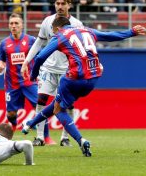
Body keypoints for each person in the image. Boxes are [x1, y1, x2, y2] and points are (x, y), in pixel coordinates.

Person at [22, 16, 146, 157]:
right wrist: (131, 32)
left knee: (58, 110)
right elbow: (110, 35)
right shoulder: (87, 30)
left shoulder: (60, 35)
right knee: (58, 104)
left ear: (56, 28)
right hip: (93, 79)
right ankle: (30, 124)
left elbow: (39, 57)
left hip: (73, 78)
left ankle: (80, 140)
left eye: (53, 32)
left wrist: (33, 76)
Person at [21, 0, 83, 147]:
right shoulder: (47, 21)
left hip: (68, 70)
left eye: (63, 4)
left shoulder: (77, 24)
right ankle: (40, 137)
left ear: (69, 5)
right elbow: (39, 43)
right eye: (57, 3)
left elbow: (82, 48)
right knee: (41, 100)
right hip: (48, 68)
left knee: (68, 104)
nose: (60, 6)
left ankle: (65, 138)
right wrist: (26, 61)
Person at [0, 13, 44, 135]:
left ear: (22, 25)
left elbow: (41, 55)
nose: (13, 26)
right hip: (12, 83)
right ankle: (13, 126)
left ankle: (46, 137)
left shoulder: (31, 40)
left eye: (16, 23)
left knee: (39, 108)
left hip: (29, 81)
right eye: (11, 23)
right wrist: (1, 64)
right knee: (11, 113)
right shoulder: (4, 43)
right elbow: (2, 58)